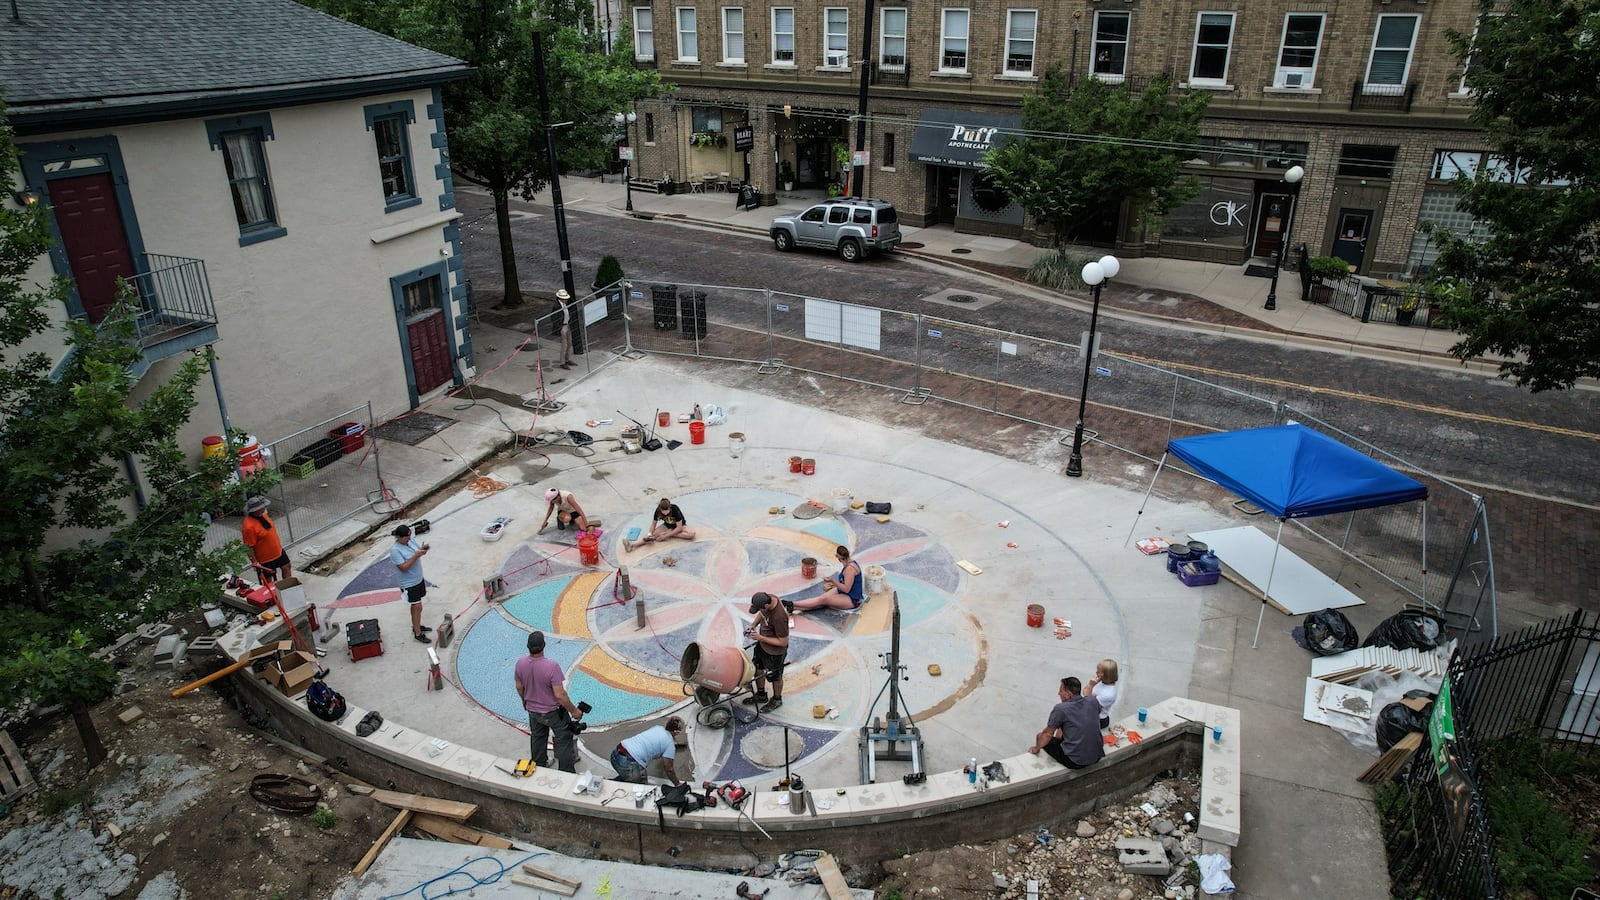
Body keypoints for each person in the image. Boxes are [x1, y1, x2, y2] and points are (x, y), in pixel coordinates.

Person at [514, 630, 585, 772]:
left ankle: (539, 766)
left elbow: (519, 687)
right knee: (564, 740)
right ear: (544, 645)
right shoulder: (551, 666)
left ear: (528, 647)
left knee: (538, 738)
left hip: (533, 710)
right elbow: (560, 695)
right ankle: (566, 772)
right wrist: (574, 711)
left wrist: (525, 702)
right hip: (553, 713)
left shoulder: (520, 663)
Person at [1028, 677, 1104, 769]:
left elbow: (1047, 734)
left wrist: (1036, 748)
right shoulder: (1092, 701)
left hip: (1074, 761)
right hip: (1096, 756)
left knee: (1040, 736)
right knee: (1062, 729)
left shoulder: (1061, 709)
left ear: (1069, 694)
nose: (1058, 694)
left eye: (1061, 691)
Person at [744, 592, 789, 713]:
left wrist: (761, 638)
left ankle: (777, 699)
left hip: (775, 652)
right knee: (758, 668)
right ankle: (761, 694)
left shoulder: (779, 617)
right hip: (762, 645)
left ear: (766, 605)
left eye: (760, 608)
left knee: (775, 677)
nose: (760, 610)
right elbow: (762, 614)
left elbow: (783, 642)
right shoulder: (769, 598)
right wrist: (753, 625)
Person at [610, 716, 686, 785]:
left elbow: (655, 740)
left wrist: (671, 743)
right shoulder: (669, 745)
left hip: (616, 754)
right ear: (676, 732)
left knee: (627, 776)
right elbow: (669, 769)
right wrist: (677, 783)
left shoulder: (658, 728)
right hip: (630, 763)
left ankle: (610, 784)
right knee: (641, 788)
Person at [390, 523, 433, 644]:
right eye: (406, 537)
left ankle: (417, 626)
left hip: (418, 579)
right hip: (409, 583)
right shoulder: (395, 550)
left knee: (418, 606)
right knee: (416, 606)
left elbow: (418, 551)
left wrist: (423, 550)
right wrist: (415, 556)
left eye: (409, 536)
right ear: (398, 537)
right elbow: (403, 567)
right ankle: (417, 633)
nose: (409, 539)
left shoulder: (410, 541)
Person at [792, 545, 863, 612]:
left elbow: (847, 589)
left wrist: (832, 581)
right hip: (845, 591)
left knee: (823, 600)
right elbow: (848, 583)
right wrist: (834, 585)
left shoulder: (850, 569)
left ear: (839, 558)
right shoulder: (849, 563)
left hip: (852, 598)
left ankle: (793, 604)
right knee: (820, 599)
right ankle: (794, 607)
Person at [241, 495, 291, 583]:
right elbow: (248, 547)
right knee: (268, 580)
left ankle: (288, 587)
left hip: (277, 550)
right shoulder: (249, 527)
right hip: (265, 559)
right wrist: (255, 562)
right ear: (256, 510)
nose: (264, 508)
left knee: (287, 566)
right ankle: (272, 595)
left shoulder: (263, 515)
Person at [629, 498, 695, 549]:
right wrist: (649, 533)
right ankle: (632, 545)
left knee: (691, 534)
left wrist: (666, 535)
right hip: (667, 525)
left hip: (680, 526)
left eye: (667, 511)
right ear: (660, 509)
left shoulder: (675, 509)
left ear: (670, 508)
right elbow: (653, 524)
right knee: (652, 536)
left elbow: (679, 527)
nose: (665, 513)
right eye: (663, 512)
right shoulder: (658, 511)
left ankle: (670, 534)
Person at [1089, 658, 1120, 730]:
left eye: (1098, 671)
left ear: (1105, 675)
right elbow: (1086, 694)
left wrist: (1090, 686)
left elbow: (1089, 706)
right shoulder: (1101, 682)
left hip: (1098, 720)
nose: (1096, 672)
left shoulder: (1108, 694)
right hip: (1093, 716)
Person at [555, 289, 575, 369]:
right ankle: (562, 362)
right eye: (564, 298)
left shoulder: (564, 304)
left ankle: (567, 359)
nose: (566, 300)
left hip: (567, 324)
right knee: (564, 345)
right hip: (562, 326)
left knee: (569, 343)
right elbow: (554, 318)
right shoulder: (556, 306)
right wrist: (559, 328)